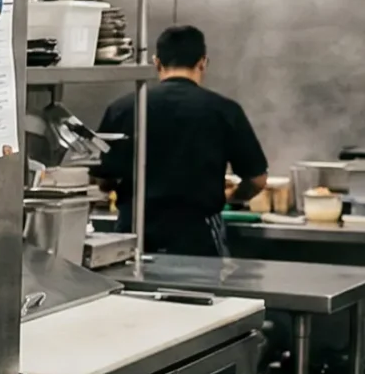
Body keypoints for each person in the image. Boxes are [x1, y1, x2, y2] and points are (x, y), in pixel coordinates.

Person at [96, 24, 269, 258]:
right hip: (197, 234)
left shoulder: (122, 108)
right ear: (203, 62)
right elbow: (257, 180)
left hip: (133, 231)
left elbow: (102, 178)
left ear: (156, 62)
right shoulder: (224, 110)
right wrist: (233, 197)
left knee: (132, 292)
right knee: (198, 292)